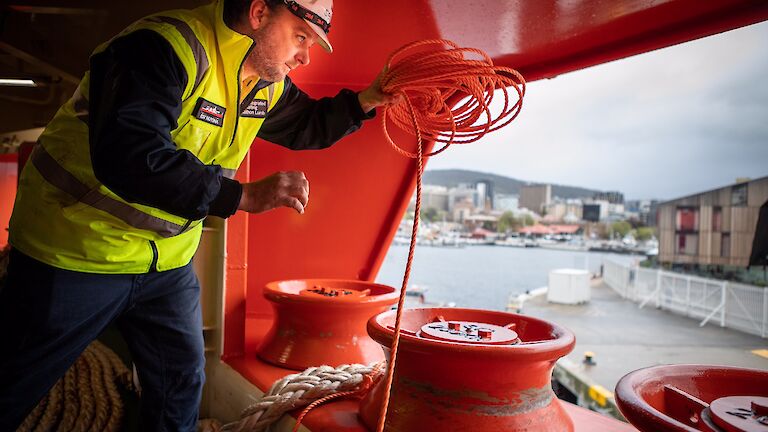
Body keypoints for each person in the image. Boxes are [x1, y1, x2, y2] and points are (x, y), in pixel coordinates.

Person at [0, 0, 396, 430]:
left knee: (180, 384)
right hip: (72, 251)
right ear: (260, 13)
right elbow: (131, 156)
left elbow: (305, 122)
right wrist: (239, 196)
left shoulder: (262, 79)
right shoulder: (160, 48)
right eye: (300, 36)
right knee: (14, 383)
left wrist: (367, 100)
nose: (305, 56)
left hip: (165, 264)